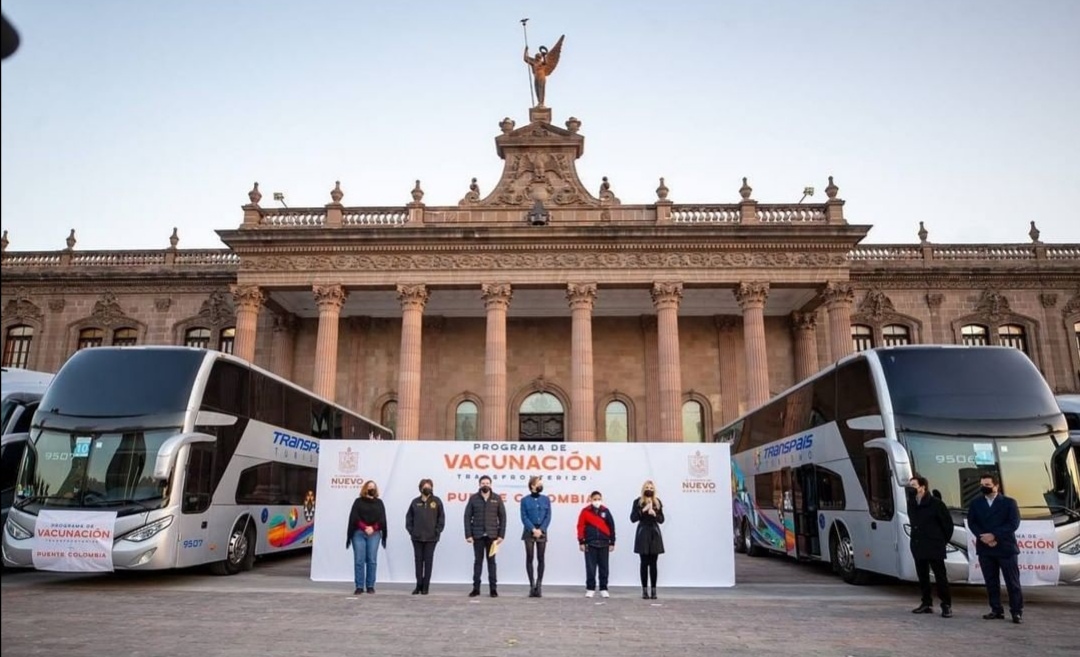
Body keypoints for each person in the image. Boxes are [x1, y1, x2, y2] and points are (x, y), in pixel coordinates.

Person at [968, 472, 1024, 624]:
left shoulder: (1009, 502)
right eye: (982, 485)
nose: (984, 488)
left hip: (1005, 548)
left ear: (996, 486)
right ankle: (996, 609)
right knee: (991, 582)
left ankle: (1016, 611)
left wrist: (994, 535)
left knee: (1012, 582)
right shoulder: (976, 503)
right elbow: (972, 523)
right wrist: (983, 537)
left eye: (987, 485)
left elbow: (1013, 524)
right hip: (985, 548)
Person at [906, 475, 954, 617]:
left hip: (934, 545)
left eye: (914, 486)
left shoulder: (936, 503)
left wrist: (940, 541)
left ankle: (946, 604)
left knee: (940, 576)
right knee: (922, 576)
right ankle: (926, 603)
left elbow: (947, 525)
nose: (911, 489)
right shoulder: (912, 503)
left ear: (922, 487)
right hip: (918, 544)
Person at [463, 475, 506, 597]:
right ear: (479, 485)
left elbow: (503, 517)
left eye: (487, 483)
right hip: (477, 536)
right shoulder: (473, 499)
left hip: (492, 537)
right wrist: (468, 534)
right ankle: (476, 589)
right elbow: (467, 517)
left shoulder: (497, 499)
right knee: (478, 562)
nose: (485, 485)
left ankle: (493, 589)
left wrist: (501, 535)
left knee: (492, 562)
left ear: (491, 484)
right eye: (483, 483)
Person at [345, 480, 387, 595]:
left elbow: (382, 519)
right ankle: (359, 586)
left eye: (373, 487)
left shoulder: (379, 503)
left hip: (374, 534)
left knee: (372, 560)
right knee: (359, 560)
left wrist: (373, 528)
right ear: (365, 488)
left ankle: (370, 585)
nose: (371, 489)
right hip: (358, 533)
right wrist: (364, 527)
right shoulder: (358, 502)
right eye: (369, 487)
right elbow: (354, 517)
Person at [405, 477, 445, 595]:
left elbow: (441, 518)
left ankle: (426, 586)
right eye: (425, 487)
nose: (427, 488)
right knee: (418, 561)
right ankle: (418, 585)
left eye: (429, 486)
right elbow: (409, 518)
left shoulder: (436, 501)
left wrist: (437, 531)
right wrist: (411, 531)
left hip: (431, 538)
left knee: (428, 561)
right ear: (420, 488)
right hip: (417, 537)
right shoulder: (415, 502)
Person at [577, 490, 616, 598]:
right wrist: (581, 541)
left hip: (604, 543)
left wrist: (612, 542)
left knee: (604, 567)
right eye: (595, 499)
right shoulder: (585, 511)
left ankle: (603, 588)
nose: (597, 501)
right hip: (590, 543)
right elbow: (580, 526)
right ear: (590, 499)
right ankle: (590, 588)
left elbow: (612, 526)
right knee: (590, 567)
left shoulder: (606, 511)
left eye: (599, 499)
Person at [630, 479, 665, 600]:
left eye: (651, 488)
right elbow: (633, 518)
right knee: (644, 563)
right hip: (643, 533)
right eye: (647, 488)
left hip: (654, 534)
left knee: (654, 563)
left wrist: (654, 513)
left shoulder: (657, 502)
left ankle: (654, 590)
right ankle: (644, 590)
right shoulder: (637, 502)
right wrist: (643, 510)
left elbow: (661, 519)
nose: (649, 490)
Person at [520, 475, 552, 598]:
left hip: (542, 530)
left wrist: (541, 529)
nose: (541, 485)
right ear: (532, 485)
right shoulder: (525, 500)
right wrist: (533, 529)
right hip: (529, 531)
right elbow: (524, 517)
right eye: (539, 483)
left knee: (541, 558)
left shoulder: (546, 499)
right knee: (529, 557)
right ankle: (531, 585)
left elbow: (548, 516)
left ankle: (539, 585)